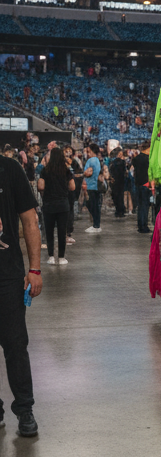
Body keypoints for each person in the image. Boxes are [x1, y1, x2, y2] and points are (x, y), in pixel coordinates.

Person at [0, 147, 42, 437]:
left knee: (15, 346)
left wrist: (35, 268)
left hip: (8, 276)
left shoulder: (10, 169)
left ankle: (24, 409)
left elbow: (29, 220)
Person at [36, 147, 74, 265]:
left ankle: (51, 256)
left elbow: (40, 187)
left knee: (49, 231)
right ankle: (62, 257)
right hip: (63, 204)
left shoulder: (45, 170)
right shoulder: (66, 170)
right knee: (62, 231)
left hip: (49, 204)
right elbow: (72, 187)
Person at [83, 144, 103, 233]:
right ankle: (96, 224)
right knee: (94, 205)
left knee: (92, 205)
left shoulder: (91, 160)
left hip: (91, 186)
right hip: (94, 186)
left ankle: (96, 225)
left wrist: (83, 174)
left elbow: (88, 172)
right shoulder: (97, 160)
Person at [132, 143, 151, 234]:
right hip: (146, 184)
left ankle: (140, 225)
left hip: (137, 184)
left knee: (140, 206)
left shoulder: (136, 159)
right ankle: (144, 226)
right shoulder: (148, 159)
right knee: (145, 206)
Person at [108, 148, 126, 219]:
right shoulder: (122, 162)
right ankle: (121, 211)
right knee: (120, 196)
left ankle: (118, 210)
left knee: (116, 196)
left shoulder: (113, 162)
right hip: (120, 181)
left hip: (115, 181)